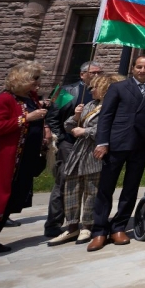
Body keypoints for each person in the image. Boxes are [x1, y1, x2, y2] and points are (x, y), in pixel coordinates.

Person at [88, 55, 145, 252]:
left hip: (141, 143)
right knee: (106, 188)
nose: (142, 70)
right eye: (139, 67)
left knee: (130, 188)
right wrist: (102, 142)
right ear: (133, 68)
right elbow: (106, 116)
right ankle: (99, 230)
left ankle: (119, 227)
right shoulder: (118, 87)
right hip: (117, 142)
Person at [0, 62, 50, 259]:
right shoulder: (4, 99)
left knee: (10, 200)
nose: (38, 82)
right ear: (22, 79)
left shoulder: (30, 98)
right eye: (34, 78)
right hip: (1, 161)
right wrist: (26, 118)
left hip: (22, 161)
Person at [49, 72, 122, 247]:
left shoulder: (112, 107)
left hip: (94, 152)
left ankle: (87, 225)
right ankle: (72, 225)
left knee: (91, 190)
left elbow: (110, 128)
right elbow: (68, 125)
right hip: (78, 152)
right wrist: (75, 117)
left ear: (104, 88)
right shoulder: (89, 105)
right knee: (72, 188)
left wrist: (86, 131)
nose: (91, 90)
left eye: (94, 87)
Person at [44, 61, 101, 239]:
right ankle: (54, 223)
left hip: (90, 144)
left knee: (90, 184)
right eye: (93, 72)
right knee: (64, 181)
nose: (97, 75)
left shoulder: (102, 93)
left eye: (99, 72)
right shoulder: (66, 91)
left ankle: (87, 222)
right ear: (82, 74)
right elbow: (52, 117)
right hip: (69, 143)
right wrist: (61, 140)